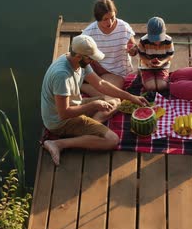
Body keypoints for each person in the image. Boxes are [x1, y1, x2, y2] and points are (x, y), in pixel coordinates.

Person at [40, 34, 148, 166]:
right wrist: (94, 105)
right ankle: (58, 143)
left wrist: (132, 97)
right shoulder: (62, 75)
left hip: (75, 104)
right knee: (112, 139)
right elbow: (64, 113)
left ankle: (91, 126)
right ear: (79, 56)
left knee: (115, 101)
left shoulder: (79, 61)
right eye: (91, 58)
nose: (93, 61)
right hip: (59, 121)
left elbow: (101, 84)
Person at [81, 0, 137, 97]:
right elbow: (80, 57)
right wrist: (96, 68)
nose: (110, 22)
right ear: (97, 19)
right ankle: (82, 84)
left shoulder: (124, 27)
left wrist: (133, 50)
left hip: (118, 73)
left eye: (112, 17)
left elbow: (133, 50)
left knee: (109, 94)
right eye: (105, 19)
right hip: (97, 71)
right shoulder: (88, 33)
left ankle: (81, 86)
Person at [135, 17, 174, 92]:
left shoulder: (168, 40)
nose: (156, 42)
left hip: (162, 65)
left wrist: (162, 62)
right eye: (153, 39)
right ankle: (141, 74)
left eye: (159, 38)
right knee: (151, 87)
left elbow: (170, 55)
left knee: (162, 86)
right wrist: (148, 62)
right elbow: (141, 55)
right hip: (147, 66)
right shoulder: (143, 40)